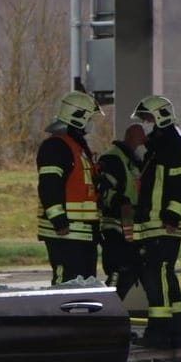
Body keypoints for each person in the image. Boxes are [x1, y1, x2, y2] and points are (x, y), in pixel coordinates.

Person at [132, 95, 181, 349]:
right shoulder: (158, 146)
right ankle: (175, 328)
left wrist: (172, 215)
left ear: (160, 117)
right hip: (154, 222)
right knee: (164, 275)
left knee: (156, 275)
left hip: (163, 224)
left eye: (147, 119)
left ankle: (159, 332)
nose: (144, 124)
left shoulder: (173, 147)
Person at [35, 89, 102, 285]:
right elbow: (49, 185)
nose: (91, 124)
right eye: (90, 118)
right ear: (78, 117)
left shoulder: (76, 147)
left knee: (84, 286)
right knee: (66, 284)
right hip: (66, 232)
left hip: (81, 232)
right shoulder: (56, 146)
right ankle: (63, 317)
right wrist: (59, 220)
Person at [96, 122, 145, 302]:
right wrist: (122, 203)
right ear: (131, 136)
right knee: (119, 273)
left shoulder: (133, 160)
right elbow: (104, 190)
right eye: (141, 135)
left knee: (130, 272)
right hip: (114, 228)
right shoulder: (113, 158)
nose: (144, 139)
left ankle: (112, 315)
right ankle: (107, 315)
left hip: (130, 228)